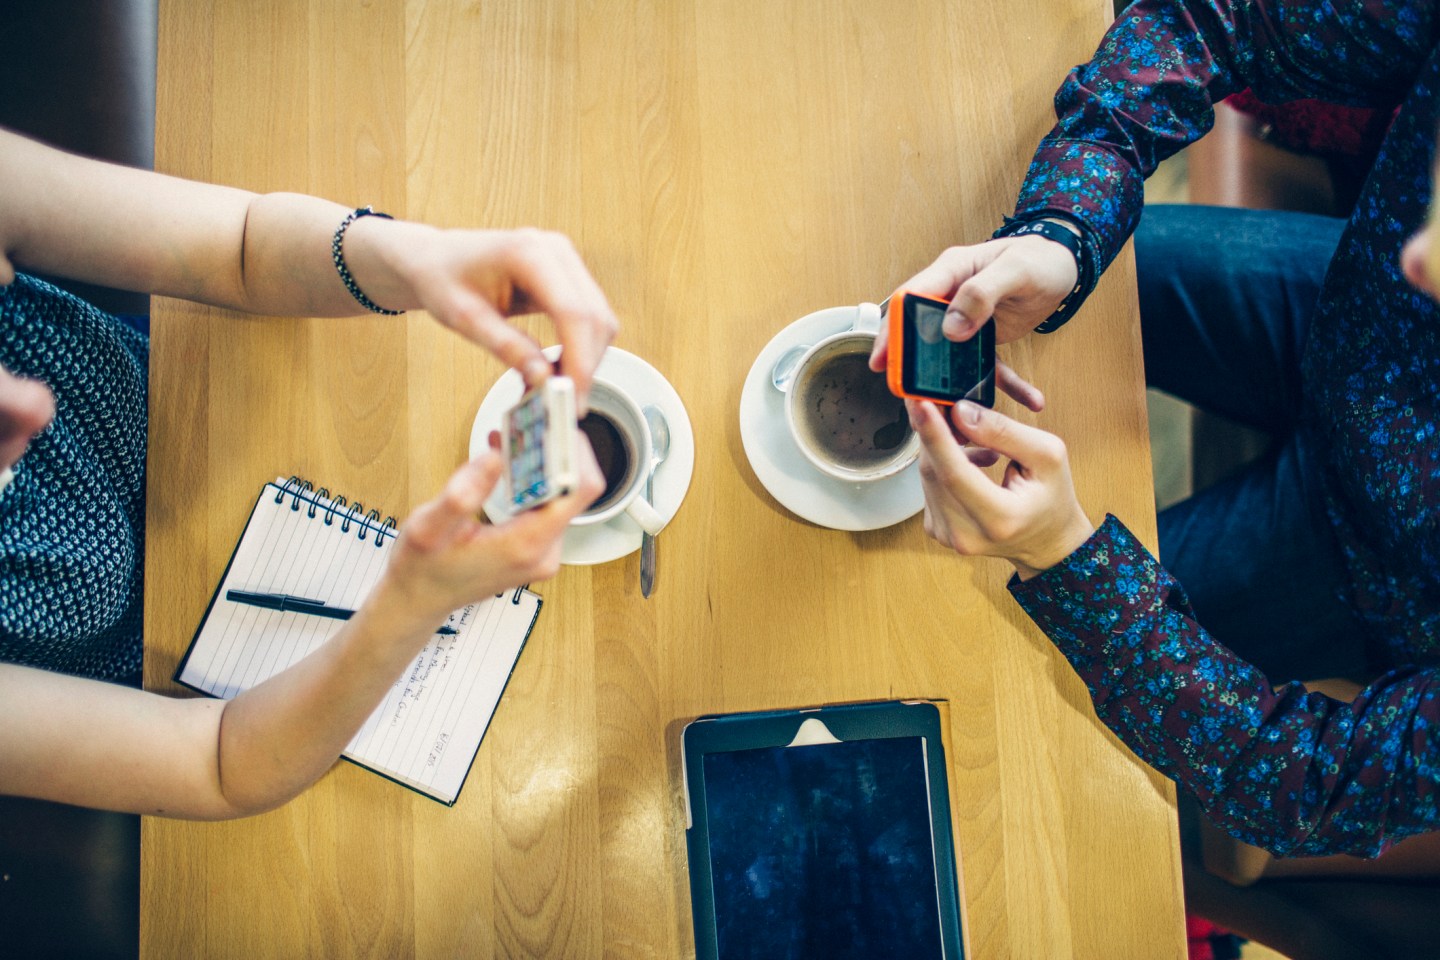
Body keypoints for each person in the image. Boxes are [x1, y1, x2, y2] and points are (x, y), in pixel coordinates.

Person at [871, 0, 1440, 863]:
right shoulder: (1408, 270)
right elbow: (1218, 17)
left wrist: (1067, 556)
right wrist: (1064, 230)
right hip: (1339, 313)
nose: (1421, 258)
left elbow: (1299, 786)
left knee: (969, 633)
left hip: (1359, 569)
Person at [0, 126, 611, 818]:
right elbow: (218, 766)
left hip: (215, 400)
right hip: (215, 672)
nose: (31, 404)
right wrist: (411, 603)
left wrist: (417, 257)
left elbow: (240, 246)